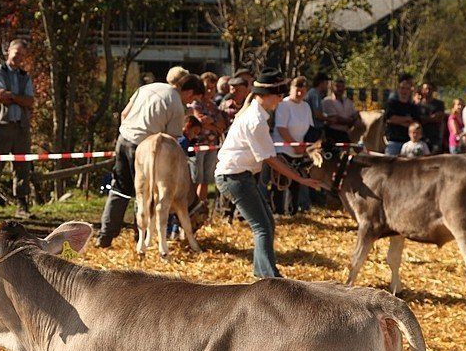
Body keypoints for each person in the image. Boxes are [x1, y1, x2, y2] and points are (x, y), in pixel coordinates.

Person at [214, 68, 323, 278]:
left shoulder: (255, 114)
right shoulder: (255, 120)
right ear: (264, 95)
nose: (281, 99)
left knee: (266, 224)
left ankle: (262, 273)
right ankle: (270, 278)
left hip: (239, 176)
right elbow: (270, 159)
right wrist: (300, 178)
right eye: (278, 94)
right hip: (234, 177)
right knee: (262, 227)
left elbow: (269, 156)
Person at [96, 73, 205, 248]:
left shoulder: (148, 87)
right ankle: (140, 238)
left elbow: (124, 114)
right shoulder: (176, 105)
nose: (190, 103)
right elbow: (170, 140)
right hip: (145, 147)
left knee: (119, 189)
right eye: (192, 99)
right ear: (190, 92)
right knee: (144, 191)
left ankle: (105, 236)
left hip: (123, 139)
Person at [0, 39, 36, 221]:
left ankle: (22, 205)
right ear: (8, 51)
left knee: (22, 166)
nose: (19, 57)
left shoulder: (25, 76)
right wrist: (18, 98)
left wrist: (11, 96)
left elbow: (30, 101)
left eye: (22, 55)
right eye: (16, 53)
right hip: (0, 126)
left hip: (21, 127)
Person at [271, 76, 314, 216]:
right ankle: (277, 211)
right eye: (297, 90)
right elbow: (281, 128)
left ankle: (292, 212)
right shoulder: (283, 105)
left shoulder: (306, 106)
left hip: (299, 149)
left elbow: (310, 128)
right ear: (291, 89)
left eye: (303, 90)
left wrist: (306, 147)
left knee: (296, 182)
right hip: (283, 148)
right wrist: (294, 144)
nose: (300, 93)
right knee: (280, 181)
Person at [189, 72, 227, 202]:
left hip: (212, 146)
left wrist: (211, 122)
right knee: (195, 179)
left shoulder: (214, 105)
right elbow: (199, 121)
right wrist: (213, 125)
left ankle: (202, 204)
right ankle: (191, 204)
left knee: (206, 180)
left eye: (213, 88)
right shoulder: (196, 104)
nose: (210, 91)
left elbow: (222, 124)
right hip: (197, 146)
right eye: (207, 88)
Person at [383, 73, 420, 156]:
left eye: (407, 89)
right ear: (398, 89)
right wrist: (407, 119)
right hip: (393, 141)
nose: (404, 91)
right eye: (402, 88)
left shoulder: (413, 107)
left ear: (410, 90)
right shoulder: (392, 103)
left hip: (409, 143)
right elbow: (390, 119)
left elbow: (415, 124)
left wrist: (398, 120)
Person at [322, 77, 359, 144]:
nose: (340, 89)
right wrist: (350, 120)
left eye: (342, 87)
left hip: (345, 133)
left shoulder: (348, 101)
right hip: (332, 134)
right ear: (333, 87)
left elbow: (355, 114)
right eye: (338, 86)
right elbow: (336, 119)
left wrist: (352, 119)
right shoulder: (327, 101)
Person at [417, 83, 445, 154]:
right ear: (422, 90)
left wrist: (425, 119)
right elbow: (418, 120)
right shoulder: (418, 105)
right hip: (421, 138)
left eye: (430, 89)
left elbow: (439, 118)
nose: (428, 91)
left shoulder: (439, 104)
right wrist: (432, 118)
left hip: (435, 137)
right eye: (426, 89)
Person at [304, 72, 329, 140]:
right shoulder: (315, 94)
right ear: (321, 83)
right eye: (326, 83)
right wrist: (330, 119)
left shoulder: (312, 93)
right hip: (314, 129)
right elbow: (317, 114)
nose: (327, 86)